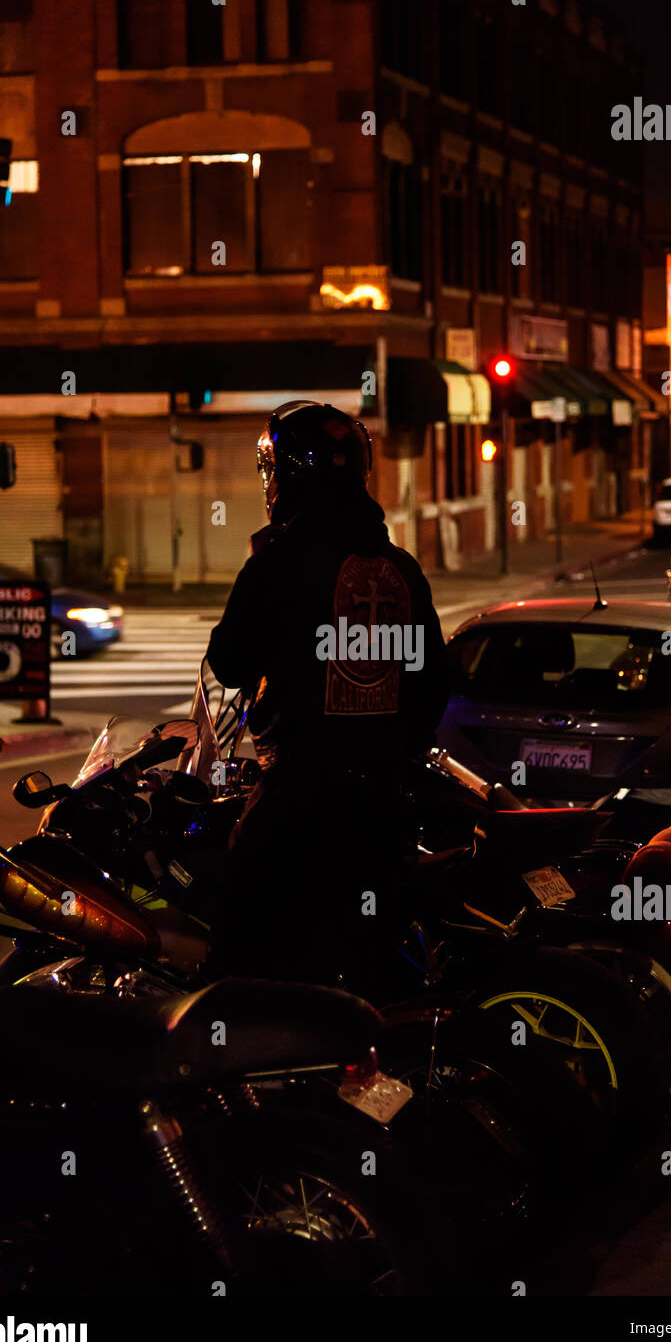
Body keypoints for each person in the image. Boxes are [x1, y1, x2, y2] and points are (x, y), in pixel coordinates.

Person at [205, 400, 449, 984]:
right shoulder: (400, 568)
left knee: (239, 963)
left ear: (286, 475)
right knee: (371, 972)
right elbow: (436, 683)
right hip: (385, 814)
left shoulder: (278, 563)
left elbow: (230, 661)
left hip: (298, 811)